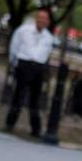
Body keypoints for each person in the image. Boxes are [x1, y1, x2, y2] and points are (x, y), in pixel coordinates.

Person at [5, 9, 54, 137]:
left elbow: (47, 54)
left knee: (35, 99)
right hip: (24, 64)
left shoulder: (49, 37)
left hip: (38, 67)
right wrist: (15, 63)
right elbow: (14, 46)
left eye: (45, 19)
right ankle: (10, 124)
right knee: (18, 95)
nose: (42, 21)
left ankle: (35, 129)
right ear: (36, 18)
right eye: (40, 18)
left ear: (48, 21)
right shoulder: (23, 30)